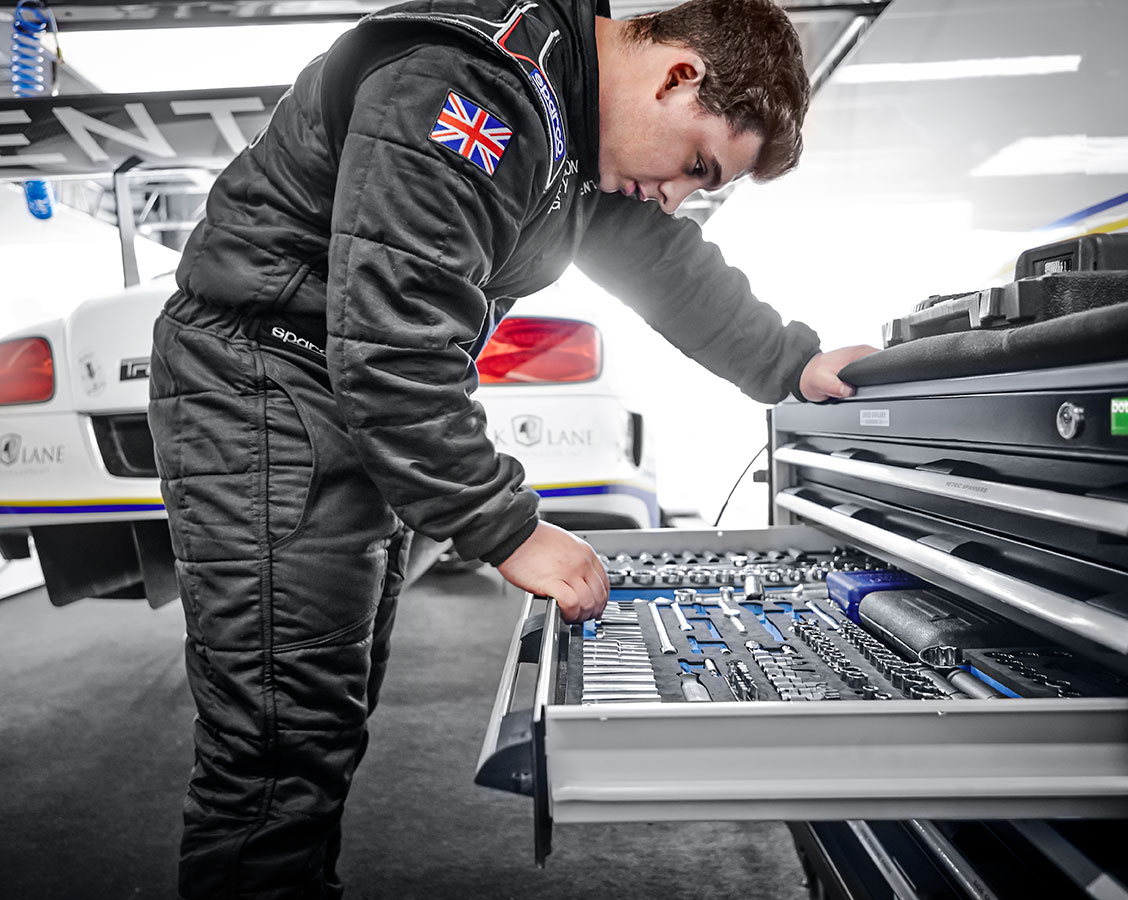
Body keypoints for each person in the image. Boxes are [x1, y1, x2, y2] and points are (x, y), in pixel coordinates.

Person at [148, 0, 874, 894]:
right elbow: (395, 343)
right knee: (276, 746)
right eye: (695, 166)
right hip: (262, 385)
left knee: (321, 713)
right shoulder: (472, 87)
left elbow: (667, 266)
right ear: (678, 75)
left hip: (320, 387)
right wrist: (508, 529)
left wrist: (793, 363)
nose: (678, 194)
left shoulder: (570, 120)